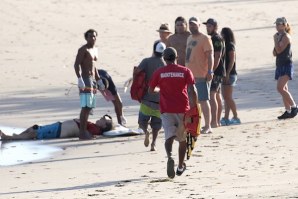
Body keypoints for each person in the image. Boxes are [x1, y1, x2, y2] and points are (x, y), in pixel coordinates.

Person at [149, 47, 198, 178]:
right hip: (183, 109)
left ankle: (170, 156)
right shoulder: (185, 71)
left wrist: (160, 90)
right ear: (176, 58)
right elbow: (193, 90)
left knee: (169, 136)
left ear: (164, 59)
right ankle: (181, 165)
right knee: (182, 139)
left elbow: (150, 90)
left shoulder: (160, 72)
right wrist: (195, 107)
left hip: (166, 110)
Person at [134, 41, 166, 151]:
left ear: (154, 50)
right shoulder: (165, 64)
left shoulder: (146, 61)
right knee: (157, 124)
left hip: (147, 98)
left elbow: (138, 71)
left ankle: (146, 131)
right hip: (160, 101)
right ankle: (154, 143)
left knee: (142, 121)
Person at [74, 29, 105, 140]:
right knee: (85, 106)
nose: (93, 38)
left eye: (94, 36)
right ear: (86, 38)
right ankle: (82, 132)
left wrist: (99, 80)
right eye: (91, 36)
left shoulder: (95, 49)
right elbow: (76, 64)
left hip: (92, 80)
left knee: (90, 106)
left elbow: (94, 65)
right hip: (85, 79)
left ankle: (84, 130)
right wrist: (79, 78)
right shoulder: (83, 49)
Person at [185, 17, 214, 134]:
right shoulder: (189, 38)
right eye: (190, 25)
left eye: (194, 25)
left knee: (203, 100)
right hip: (189, 75)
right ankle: (195, 125)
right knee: (192, 102)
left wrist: (210, 71)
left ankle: (208, 126)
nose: (192, 26)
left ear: (199, 25)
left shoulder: (205, 38)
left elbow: (210, 56)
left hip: (201, 74)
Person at [0, 115, 114, 140]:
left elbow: (87, 134)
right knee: (34, 128)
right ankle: (18, 136)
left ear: (104, 126)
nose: (102, 117)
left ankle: (9, 138)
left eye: (105, 119)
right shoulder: (94, 126)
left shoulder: (96, 129)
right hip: (59, 127)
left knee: (36, 133)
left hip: (60, 130)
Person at [273, 17, 298, 119]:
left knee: (280, 88)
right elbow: (275, 52)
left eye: (278, 24)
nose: (276, 26)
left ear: (284, 25)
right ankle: (288, 111)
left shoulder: (286, 37)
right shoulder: (279, 36)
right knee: (284, 88)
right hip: (280, 64)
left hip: (287, 65)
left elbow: (278, 50)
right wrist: (276, 41)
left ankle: (294, 107)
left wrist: (275, 40)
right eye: (276, 24)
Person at [203, 18, 226, 128]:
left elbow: (217, 56)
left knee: (212, 95)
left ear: (215, 27)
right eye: (207, 26)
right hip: (218, 70)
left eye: (210, 26)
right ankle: (216, 121)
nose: (207, 28)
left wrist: (210, 70)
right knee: (216, 95)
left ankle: (214, 122)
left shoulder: (216, 38)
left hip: (216, 71)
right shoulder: (213, 37)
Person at [220, 27, 241, 125]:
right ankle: (226, 117)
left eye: (222, 34)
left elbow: (232, 60)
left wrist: (227, 73)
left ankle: (236, 116)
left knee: (228, 97)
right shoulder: (224, 45)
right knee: (226, 97)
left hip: (230, 74)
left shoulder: (230, 46)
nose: (221, 35)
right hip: (225, 74)